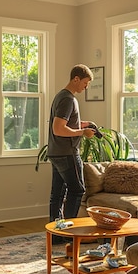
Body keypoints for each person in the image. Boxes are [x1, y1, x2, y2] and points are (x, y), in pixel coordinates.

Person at [47, 64, 97, 224]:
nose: (86, 87)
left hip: (56, 152)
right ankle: (70, 230)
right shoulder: (68, 99)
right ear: (76, 79)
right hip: (67, 153)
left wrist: (83, 124)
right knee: (77, 190)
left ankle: (56, 232)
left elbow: (65, 123)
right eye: (85, 83)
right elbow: (58, 129)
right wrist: (83, 133)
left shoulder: (60, 96)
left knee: (58, 194)